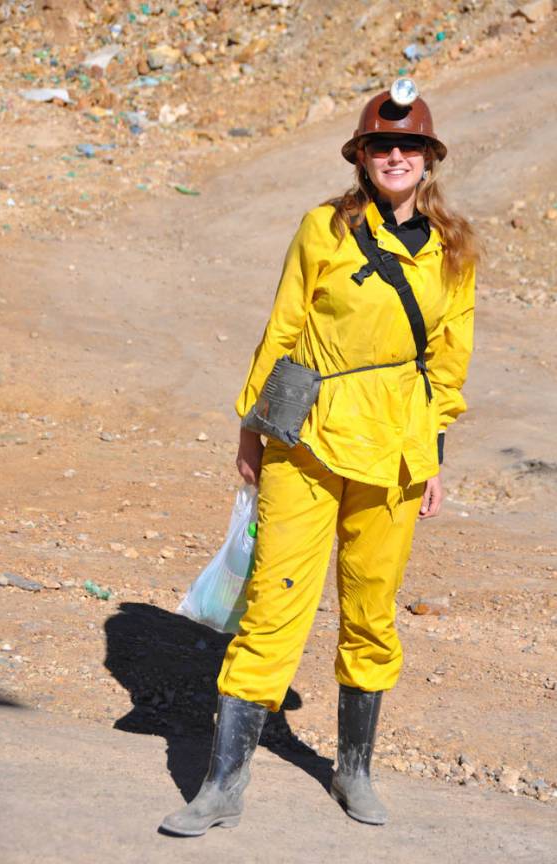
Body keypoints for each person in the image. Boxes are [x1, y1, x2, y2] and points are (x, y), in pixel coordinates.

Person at [161, 79, 477, 837]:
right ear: (361, 156)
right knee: (274, 606)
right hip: (306, 440)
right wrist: (250, 425)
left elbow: (449, 360)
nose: (394, 155)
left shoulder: (454, 249)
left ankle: (353, 771)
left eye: (409, 146)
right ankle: (222, 786)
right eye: (381, 145)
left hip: (397, 448)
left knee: (371, 611)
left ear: (429, 159)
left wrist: (433, 453)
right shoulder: (321, 230)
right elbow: (282, 328)